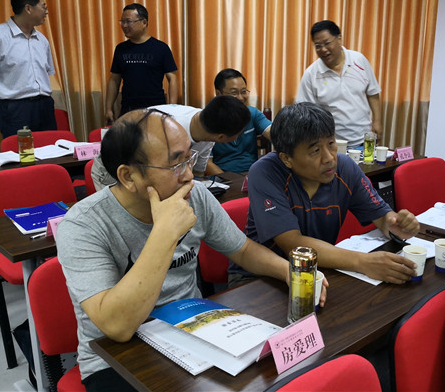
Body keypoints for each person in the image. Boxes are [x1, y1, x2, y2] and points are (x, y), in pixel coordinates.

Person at [56, 109, 321, 391]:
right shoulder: (83, 225)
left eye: (189, 159)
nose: (189, 176)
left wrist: (290, 272)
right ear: (129, 176)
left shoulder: (196, 196)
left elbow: (242, 250)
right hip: (116, 359)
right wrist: (164, 233)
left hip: (192, 332)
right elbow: (118, 327)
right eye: (175, 165)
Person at [229, 102, 420, 286]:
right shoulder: (265, 172)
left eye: (331, 143)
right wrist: (363, 262)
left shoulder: (345, 168)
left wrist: (395, 226)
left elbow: (383, 218)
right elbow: (292, 244)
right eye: (315, 150)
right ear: (287, 159)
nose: (329, 158)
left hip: (318, 270)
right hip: (259, 278)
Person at [90, 96, 250, 191]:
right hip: (114, 166)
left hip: (148, 171)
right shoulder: (169, 128)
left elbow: (198, 173)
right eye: (237, 134)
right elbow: (155, 172)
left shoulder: (208, 130)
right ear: (222, 137)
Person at [295, 20, 382, 146]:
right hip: (332, 144)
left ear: (339, 39)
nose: (323, 49)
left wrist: (377, 122)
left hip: (364, 139)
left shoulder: (359, 60)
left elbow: (373, 93)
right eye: (318, 46)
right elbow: (305, 111)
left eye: (327, 43)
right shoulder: (311, 74)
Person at [0, 0, 57, 138]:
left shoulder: (42, 40)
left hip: (44, 105)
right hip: (14, 108)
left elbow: (46, 74)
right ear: (28, 8)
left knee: (51, 148)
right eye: (43, 7)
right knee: (20, 151)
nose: (47, 12)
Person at [104, 3, 178, 123]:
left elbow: (172, 78)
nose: (124, 25)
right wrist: (108, 108)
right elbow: (114, 80)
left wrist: (172, 108)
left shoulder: (161, 48)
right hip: (128, 109)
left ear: (144, 22)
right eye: (122, 22)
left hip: (155, 109)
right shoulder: (121, 49)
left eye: (128, 21)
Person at [210, 68, 272, 174]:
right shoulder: (208, 120)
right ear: (219, 93)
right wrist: (229, 180)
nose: (240, 98)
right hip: (222, 176)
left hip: (252, 173)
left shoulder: (252, 114)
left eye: (243, 92)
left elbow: (273, 133)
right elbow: (207, 163)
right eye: (234, 93)